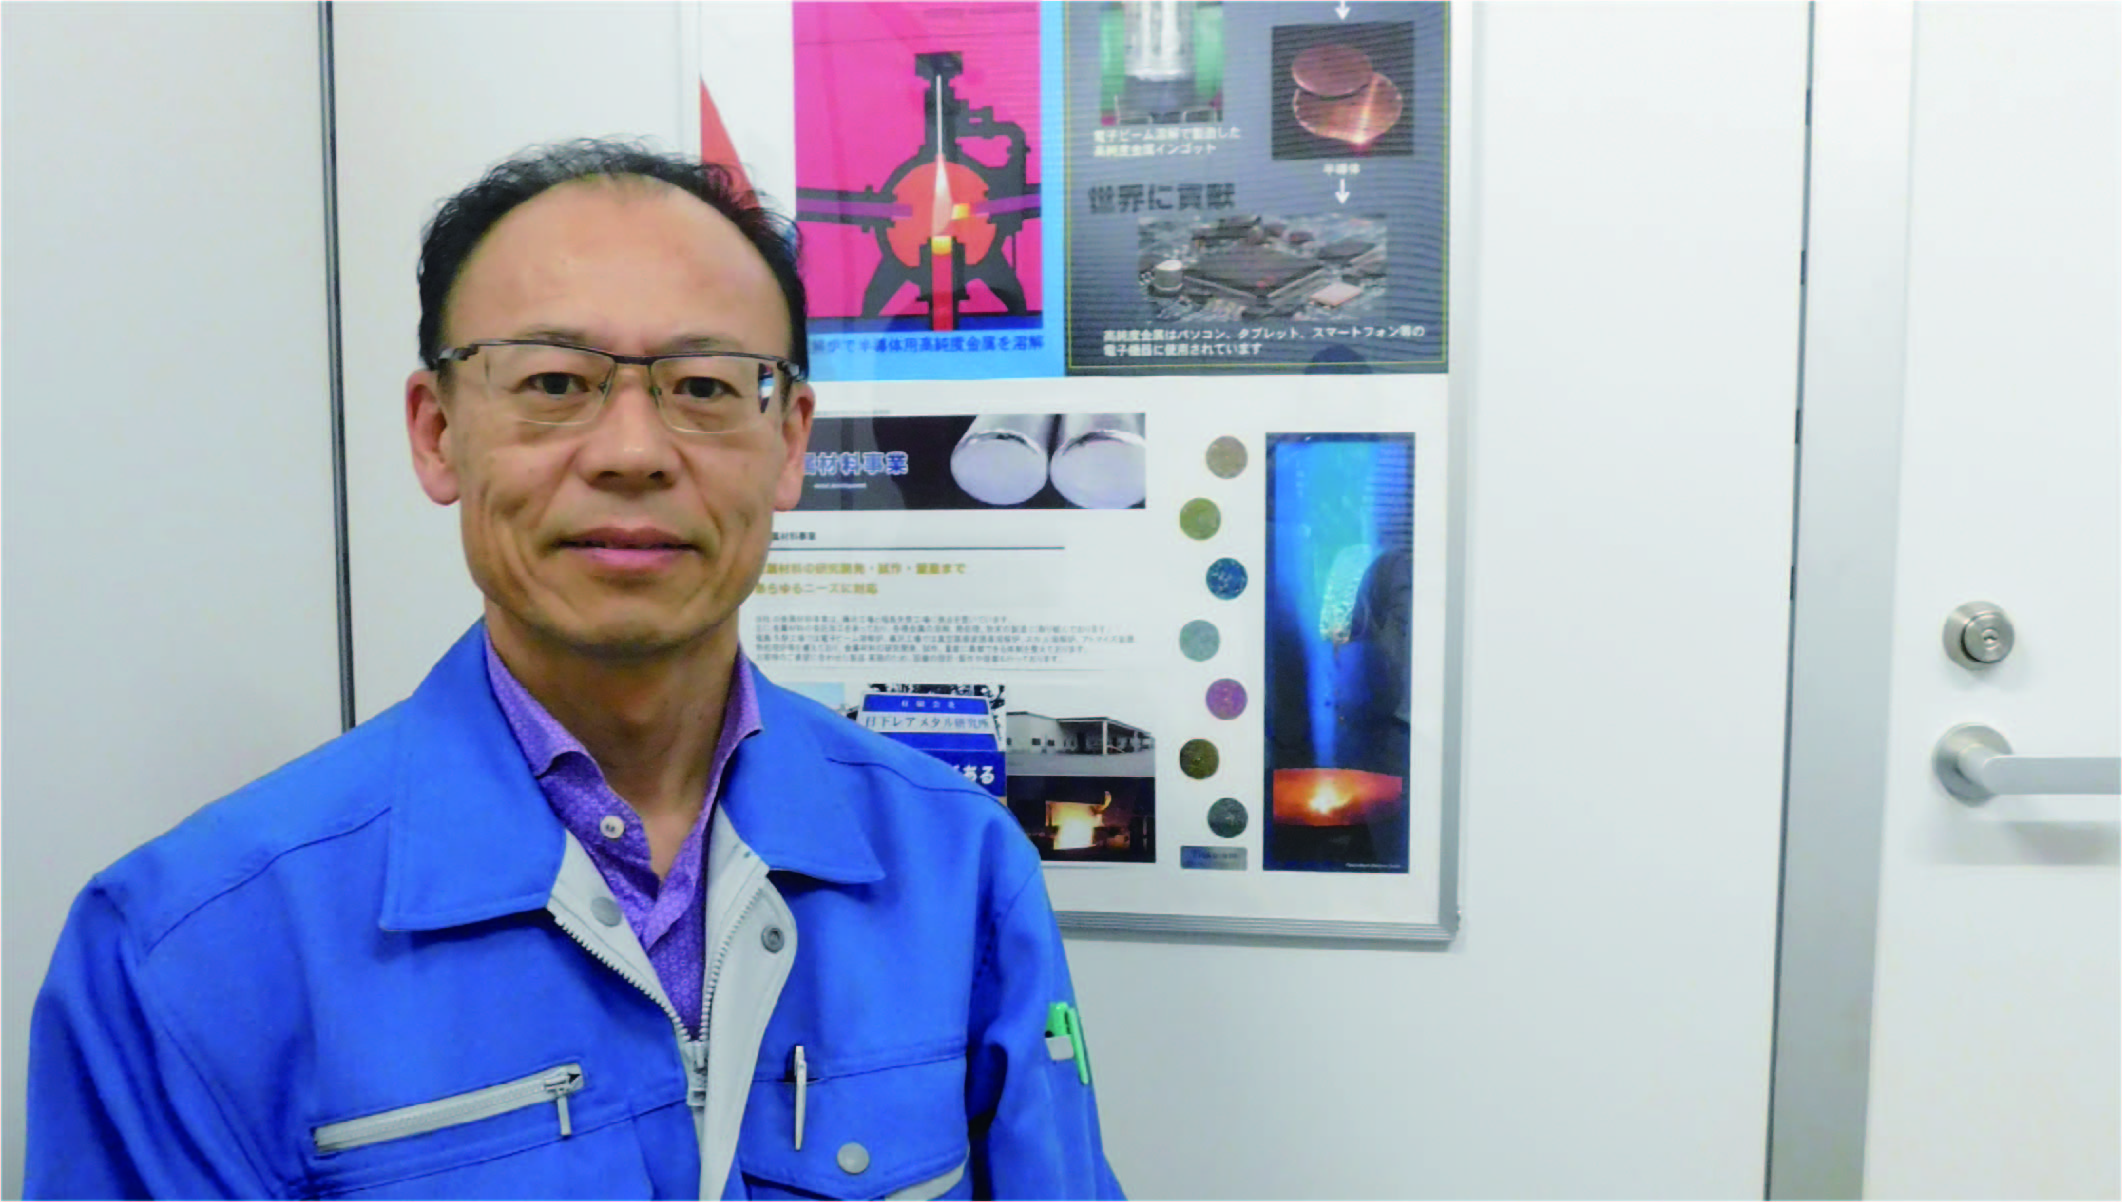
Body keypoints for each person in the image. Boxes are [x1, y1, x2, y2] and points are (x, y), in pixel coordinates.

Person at [26, 140, 1124, 1201]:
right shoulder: (188, 949)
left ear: (790, 443)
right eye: (555, 380)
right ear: (436, 432)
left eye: (704, 386)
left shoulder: (953, 863)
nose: (632, 452)